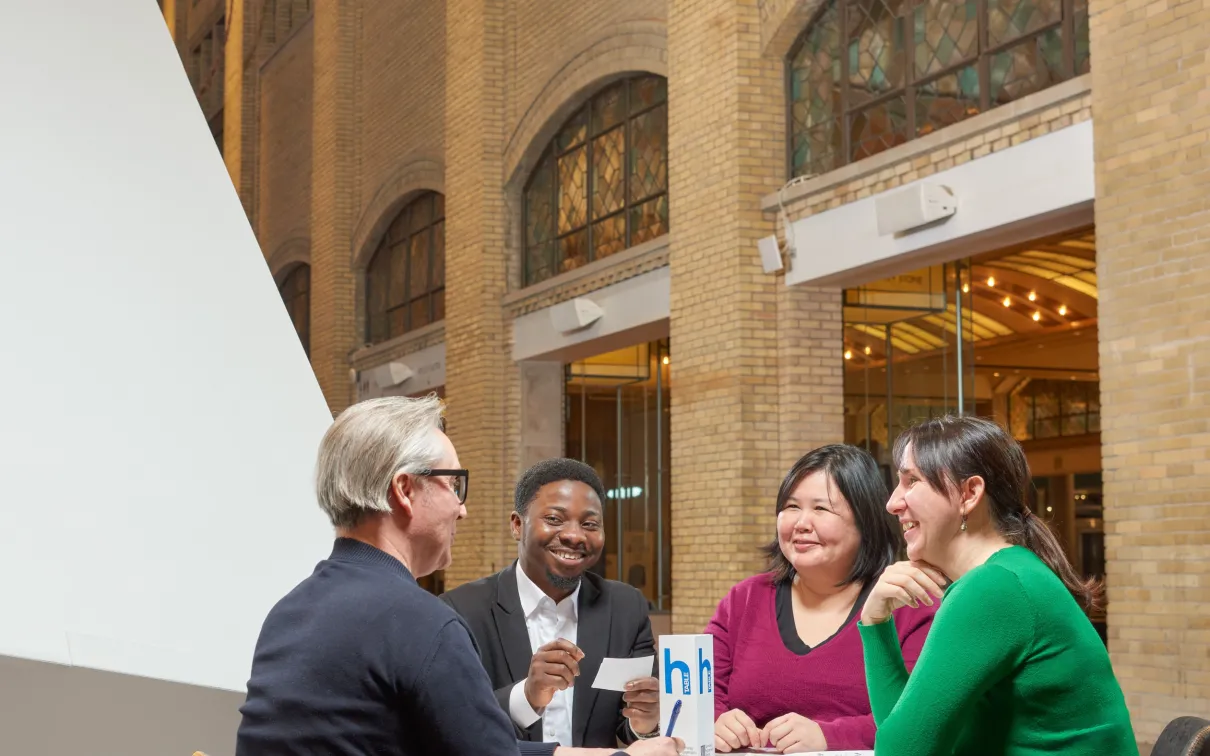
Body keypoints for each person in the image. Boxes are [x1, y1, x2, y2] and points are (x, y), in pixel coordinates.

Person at [234, 396, 681, 756]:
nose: (462, 509)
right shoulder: (424, 622)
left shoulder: (289, 611)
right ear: (405, 490)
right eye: (454, 485)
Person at [858, 415, 1136, 755]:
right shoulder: (1012, 572)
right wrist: (876, 623)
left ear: (969, 493)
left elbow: (901, 752)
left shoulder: (993, 587)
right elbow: (909, 736)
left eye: (911, 481)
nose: (892, 503)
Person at [707, 445, 937, 753]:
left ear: (864, 522)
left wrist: (829, 736)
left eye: (821, 509)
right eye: (791, 507)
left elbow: (919, 719)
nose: (801, 523)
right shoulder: (744, 599)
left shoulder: (908, 604)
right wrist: (715, 720)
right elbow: (698, 692)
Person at [441, 458, 661, 748]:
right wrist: (528, 695)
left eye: (590, 524)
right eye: (555, 519)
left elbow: (629, 728)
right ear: (518, 525)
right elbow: (453, 724)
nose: (574, 535)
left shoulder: (625, 608)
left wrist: (644, 722)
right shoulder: (461, 611)